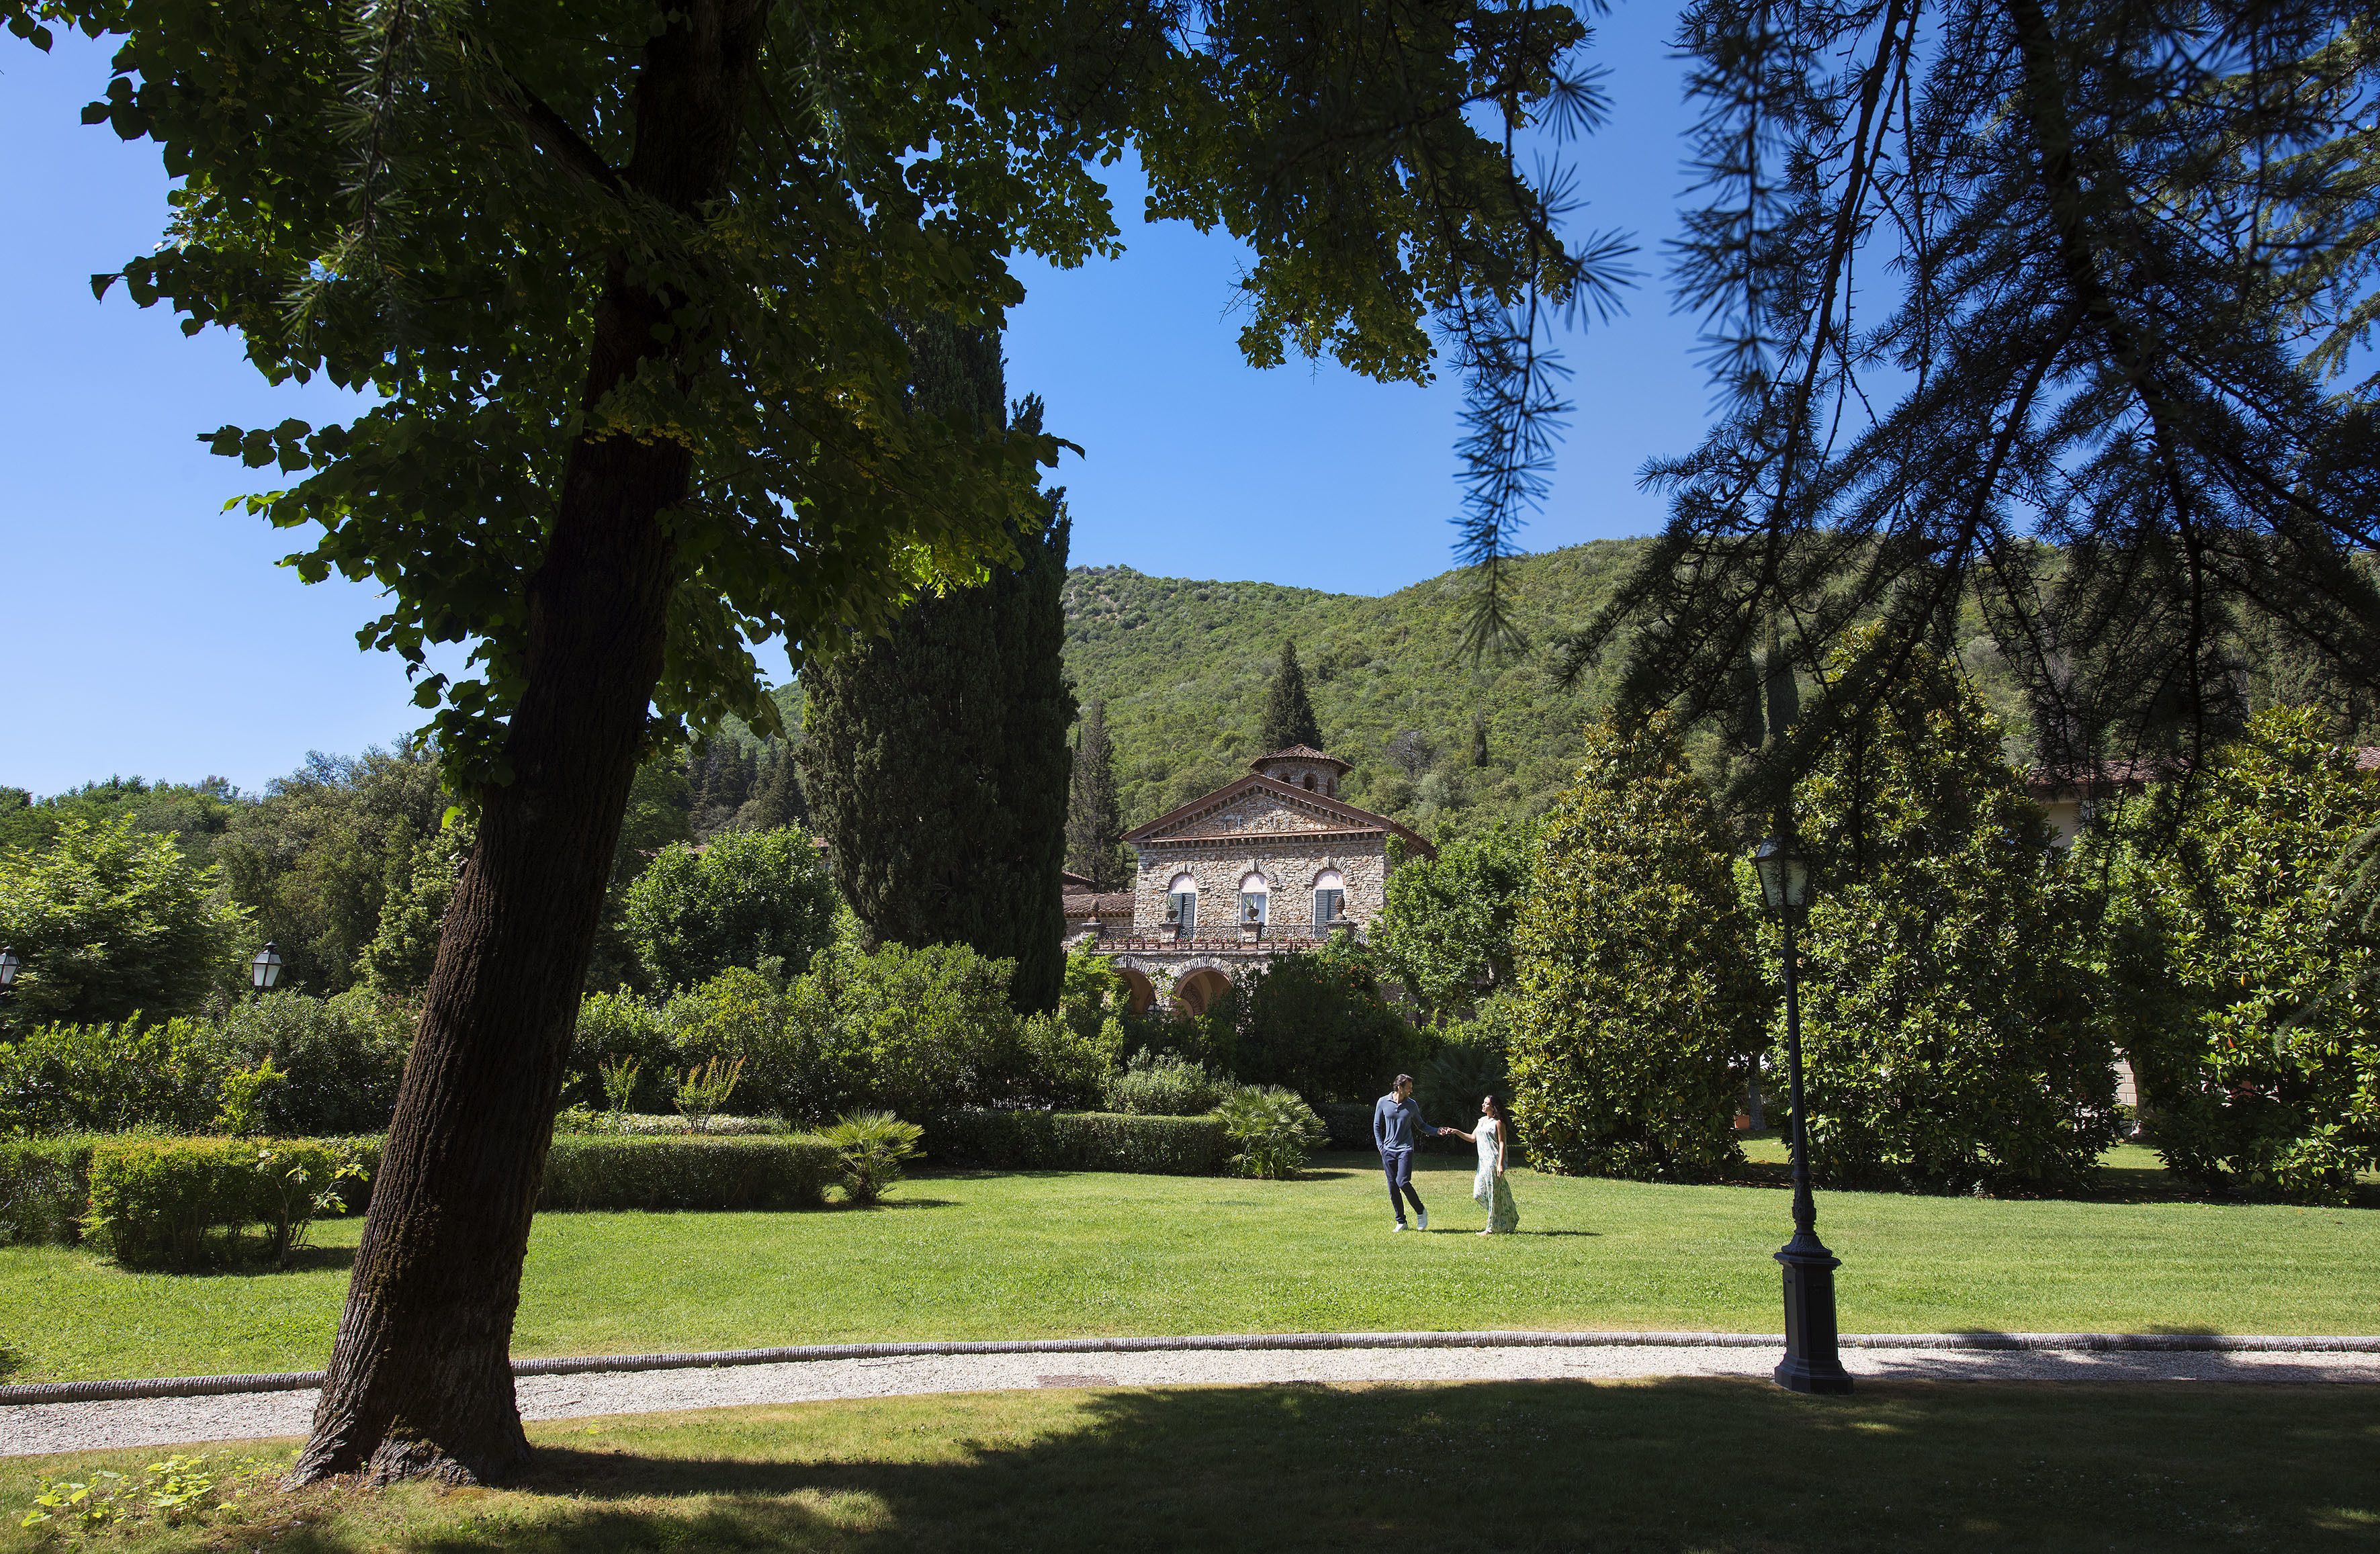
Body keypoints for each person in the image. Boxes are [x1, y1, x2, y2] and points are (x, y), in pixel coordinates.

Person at [1440, 1094, 1519, 1234]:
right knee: (1478, 1194)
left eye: (1486, 1103)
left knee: (1493, 1195)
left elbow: (1502, 1144)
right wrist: (1456, 1131)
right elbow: (1472, 1138)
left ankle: (1491, 1228)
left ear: (1493, 1107)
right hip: (1482, 1163)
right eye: (1484, 1102)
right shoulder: (1482, 1121)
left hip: (1493, 1162)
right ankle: (1502, 1216)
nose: (1483, 1105)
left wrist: (1500, 1164)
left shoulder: (1498, 1123)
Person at [1372, 1074, 1435, 1232]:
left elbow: (1421, 1125)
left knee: (1402, 1182)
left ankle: (1420, 1211)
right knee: (1392, 1186)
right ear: (1399, 1087)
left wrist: (1437, 1131)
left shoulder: (1411, 1105)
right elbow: (1377, 1125)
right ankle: (1401, 1221)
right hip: (1388, 1150)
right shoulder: (1383, 1102)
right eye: (1409, 1088)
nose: (1411, 1091)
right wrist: (1381, 1147)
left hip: (1405, 1149)